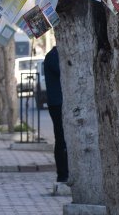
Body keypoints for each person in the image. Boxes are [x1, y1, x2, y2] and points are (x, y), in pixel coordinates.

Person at [44, 46, 69, 183]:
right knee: (61, 138)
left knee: (65, 139)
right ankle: (63, 174)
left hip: (62, 102)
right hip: (57, 103)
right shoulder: (53, 56)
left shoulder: (57, 54)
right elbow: (63, 72)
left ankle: (66, 171)